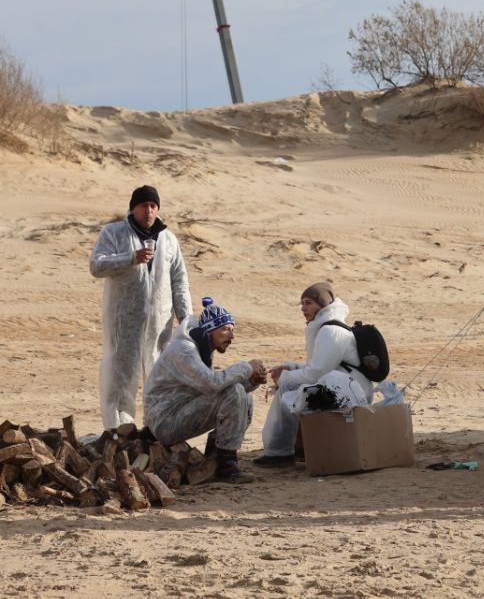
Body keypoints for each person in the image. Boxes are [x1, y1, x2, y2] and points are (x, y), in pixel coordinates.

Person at [90, 184, 192, 429]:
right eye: (143, 205)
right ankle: (118, 431)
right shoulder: (114, 233)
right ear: (133, 208)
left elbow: (179, 279)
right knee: (120, 376)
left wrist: (186, 316)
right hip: (124, 321)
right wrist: (130, 258)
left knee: (159, 377)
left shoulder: (168, 240)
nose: (148, 211)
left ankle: (156, 430)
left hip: (159, 324)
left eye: (153, 206)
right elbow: (97, 265)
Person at [143, 298, 267, 483]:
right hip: (164, 423)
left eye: (232, 330)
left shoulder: (200, 348)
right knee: (233, 392)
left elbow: (211, 388)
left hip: (177, 412)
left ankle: (217, 457)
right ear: (209, 330)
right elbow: (213, 384)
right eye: (225, 329)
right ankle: (226, 466)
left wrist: (252, 381)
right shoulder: (184, 350)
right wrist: (246, 368)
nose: (231, 336)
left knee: (243, 395)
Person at [255, 282, 374, 467]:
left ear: (322, 304)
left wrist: (284, 378)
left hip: (350, 393)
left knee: (289, 387)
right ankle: (301, 448)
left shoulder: (331, 331)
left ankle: (280, 453)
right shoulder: (325, 327)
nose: (303, 308)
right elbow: (321, 367)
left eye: (308, 302)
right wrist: (290, 368)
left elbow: (316, 374)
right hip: (345, 387)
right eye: (302, 303)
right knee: (297, 386)